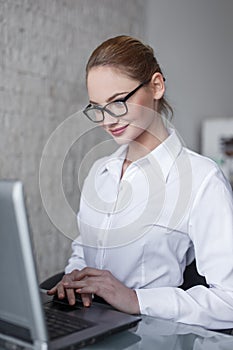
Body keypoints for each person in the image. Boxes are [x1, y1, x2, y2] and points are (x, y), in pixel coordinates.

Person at [48, 35, 233, 329]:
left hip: (150, 334)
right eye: (97, 107)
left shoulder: (201, 180)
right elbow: (84, 247)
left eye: (118, 102)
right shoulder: (100, 172)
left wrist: (136, 299)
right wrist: (73, 277)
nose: (107, 120)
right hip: (86, 324)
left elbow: (229, 301)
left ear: (156, 86)